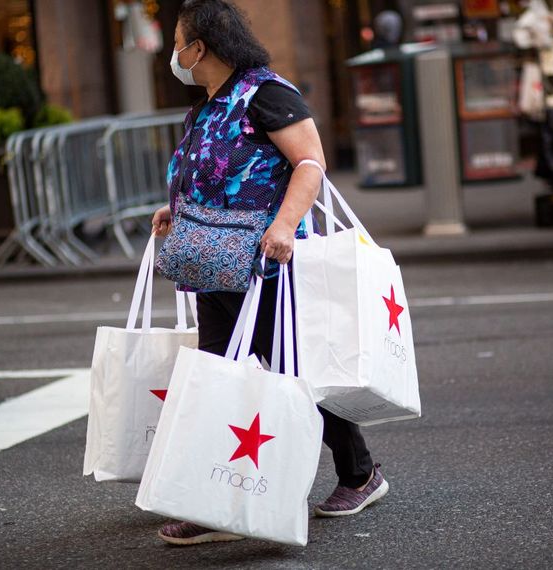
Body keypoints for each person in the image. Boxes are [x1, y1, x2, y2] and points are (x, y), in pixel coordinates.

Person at [151, 0, 388, 546]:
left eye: (178, 42)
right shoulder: (206, 104)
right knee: (217, 379)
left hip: (265, 266)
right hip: (213, 265)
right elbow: (212, 172)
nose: (174, 54)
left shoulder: (265, 93)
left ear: (200, 48)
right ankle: (216, 503)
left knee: (294, 376)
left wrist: (283, 226)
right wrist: (178, 207)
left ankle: (361, 473)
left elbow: (310, 163)